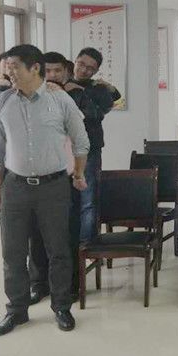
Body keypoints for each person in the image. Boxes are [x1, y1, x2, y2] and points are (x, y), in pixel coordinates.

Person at [0, 45, 89, 336]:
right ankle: (16, 310)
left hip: (54, 187)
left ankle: (61, 307)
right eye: (8, 67)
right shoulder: (2, 102)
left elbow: (81, 141)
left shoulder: (60, 100)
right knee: (13, 252)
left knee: (58, 250)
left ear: (34, 68)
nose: (9, 73)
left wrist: (78, 173)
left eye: (15, 67)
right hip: (15, 187)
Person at [28, 51, 76, 305]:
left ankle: (67, 288)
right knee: (35, 234)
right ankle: (38, 284)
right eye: (48, 71)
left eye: (58, 70)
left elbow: (85, 131)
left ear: (66, 72)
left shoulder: (74, 96)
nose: (53, 75)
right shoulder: (27, 97)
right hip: (35, 177)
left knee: (64, 235)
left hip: (66, 175)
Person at [67, 47, 120, 242]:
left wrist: (80, 92)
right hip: (63, 149)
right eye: (81, 64)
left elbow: (97, 113)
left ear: (96, 71)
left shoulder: (98, 89)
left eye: (90, 68)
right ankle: (69, 241)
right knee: (65, 197)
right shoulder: (60, 85)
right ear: (75, 61)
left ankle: (87, 242)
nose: (83, 70)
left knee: (88, 196)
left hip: (90, 147)